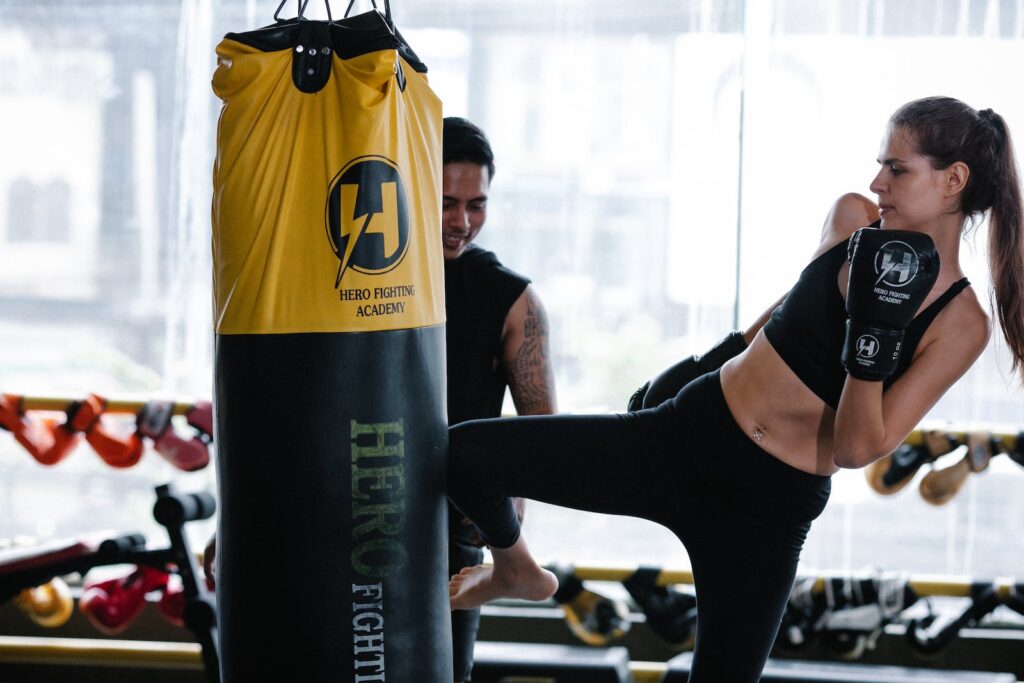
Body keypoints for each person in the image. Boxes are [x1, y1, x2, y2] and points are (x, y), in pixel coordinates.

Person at [446, 96, 1024, 682]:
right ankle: (516, 570)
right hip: (687, 437)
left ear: (953, 180)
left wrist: (874, 331)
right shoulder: (853, 219)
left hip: (766, 512)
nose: (877, 182)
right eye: (880, 164)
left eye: (897, 169)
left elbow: (856, 449)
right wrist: (705, 363)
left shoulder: (961, 323)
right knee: (462, 454)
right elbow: (783, 314)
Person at [203, 117, 558, 683]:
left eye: (477, 204)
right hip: (332, 523)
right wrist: (242, 523)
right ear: (408, 189)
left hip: (442, 546)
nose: (462, 223)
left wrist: (495, 532)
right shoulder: (347, 277)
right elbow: (290, 409)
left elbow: (542, 443)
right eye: (445, 203)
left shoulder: (511, 300)